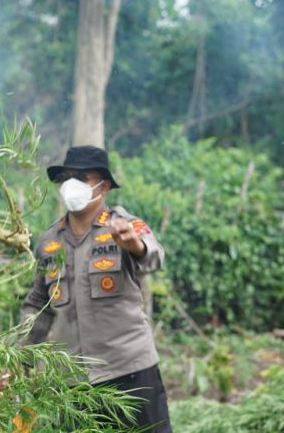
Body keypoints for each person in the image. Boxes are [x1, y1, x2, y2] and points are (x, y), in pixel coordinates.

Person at [21, 145, 171, 432]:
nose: (70, 185)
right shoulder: (49, 241)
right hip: (73, 383)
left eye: (80, 177)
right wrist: (20, 358)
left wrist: (134, 245)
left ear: (103, 186)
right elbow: (39, 305)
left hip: (129, 372)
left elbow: (154, 256)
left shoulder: (123, 226)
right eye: (66, 177)